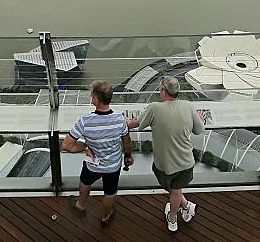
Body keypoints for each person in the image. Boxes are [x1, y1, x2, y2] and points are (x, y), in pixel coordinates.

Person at [127, 76, 205, 232]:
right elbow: (199, 130)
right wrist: (201, 119)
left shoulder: (155, 108)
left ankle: (172, 218)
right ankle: (186, 206)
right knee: (176, 189)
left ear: (163, 92)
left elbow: (136, 124)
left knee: (174, 190)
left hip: (165, 164)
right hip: (186, 161)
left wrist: (124, 122)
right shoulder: (188, 106)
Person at [61, 80, 132, 226]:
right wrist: (128, 156)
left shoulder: (85, 121)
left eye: (92, 95)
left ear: (96, 100)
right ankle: (105, 217)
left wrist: (85, 147)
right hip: (113, 165)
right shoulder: (120, 120)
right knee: (110, 193)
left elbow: (66, 146)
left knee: (85, 182)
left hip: (93, 164)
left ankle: (80, 205)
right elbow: (127, 142)